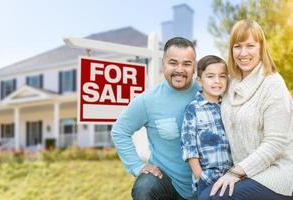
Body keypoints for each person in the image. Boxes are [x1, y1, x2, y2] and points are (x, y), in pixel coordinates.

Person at [198, 19, 293, 200]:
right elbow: (206, 90)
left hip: (275, 174)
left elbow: (275, 144)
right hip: (244, 172)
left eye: (250, 46)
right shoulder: (231, 82)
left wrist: (236, 172)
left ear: (261, 48)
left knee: (213, 199)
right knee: (203, 195)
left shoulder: (273, 84)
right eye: (237, 46)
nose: (243, 53)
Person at [111, 37, 199, 200]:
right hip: (167, 182)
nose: (180, 69)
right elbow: (120, 131)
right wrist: (137, 166)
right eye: (173, 63)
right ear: (163, 64)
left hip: (205, 183)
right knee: (145, 187)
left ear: (194, 67)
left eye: (186, 64)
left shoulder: (207, 93)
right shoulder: (148, 100)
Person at [181, 55, 233, 199]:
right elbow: (189, 148)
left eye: (222, 76)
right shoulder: (193, 109)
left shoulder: (228, 107)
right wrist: (200, 176)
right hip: (207, 180)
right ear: (199, 80)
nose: (217, 81)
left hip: (232, 178)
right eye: (210, 76)